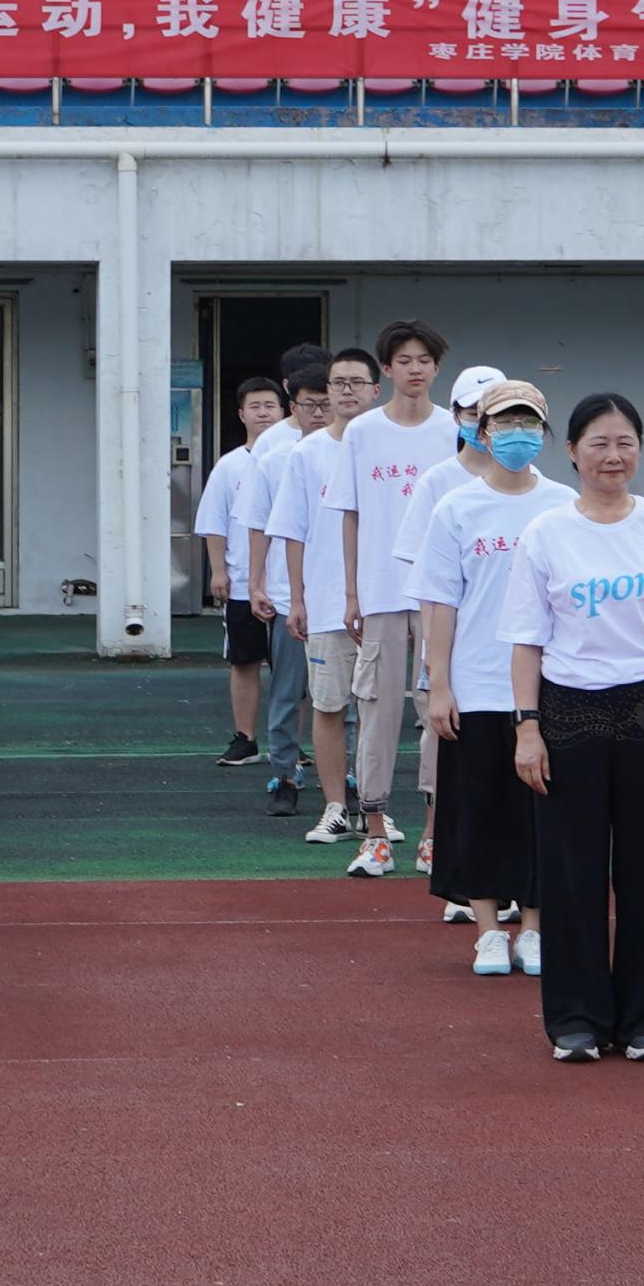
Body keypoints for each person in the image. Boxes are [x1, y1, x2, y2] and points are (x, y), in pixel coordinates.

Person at [504, 389, 644, 1063]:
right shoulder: (546, 532)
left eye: (625, 442)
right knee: (572, 872)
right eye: (598, 443)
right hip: (569, 710)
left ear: (640, 450)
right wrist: (527, 727)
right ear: (572, 452)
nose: (613, 455)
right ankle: (577, 1020)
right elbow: (527, 641)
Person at [411, 379, 563, 969]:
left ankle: (534, 927)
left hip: (549, 687)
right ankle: (488, 929)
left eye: (528, 423)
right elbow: (440, 602)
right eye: (504, 423)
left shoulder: (562, 504)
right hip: (475, 684)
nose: (517, 434)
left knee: (540, 810)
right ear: (481, 431)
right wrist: (440, 683)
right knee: (478, 807)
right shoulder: (456, 507)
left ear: (544, 433)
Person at [327, 320, 456, 876]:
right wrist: (351, 590)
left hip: (438, 596)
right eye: (404, 359)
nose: (415, 368)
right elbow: (351, 514)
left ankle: (434, 834)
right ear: (387, 369)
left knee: (438, 711)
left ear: (437, 367)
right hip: (380, 592)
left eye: (424, 359)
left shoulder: (454, 429)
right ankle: (375, 833)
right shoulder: (362, 431)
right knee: (375, 710)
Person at [290, 342, 383, 846]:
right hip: (327, 602)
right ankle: (334, 807)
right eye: (338, 382)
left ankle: (375, 808)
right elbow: (293, 530)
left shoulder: (390, 447)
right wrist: (297, 599)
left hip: (386, 603)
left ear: (376, 389)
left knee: (377, 709)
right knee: (328, 706)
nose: (347, 391)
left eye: (357, 382)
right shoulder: (307, 453)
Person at [251, 347, 336, 817]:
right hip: (289, 597)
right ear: (293, 406)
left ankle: (346, 777)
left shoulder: (355, 452)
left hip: (341, 599)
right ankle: (284, 774)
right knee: (287, 692)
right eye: (310, 404)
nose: (319, 413)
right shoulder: (275, 456)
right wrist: (256, 583)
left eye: (326, 403)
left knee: (344, 697)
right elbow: (260, 525)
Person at [197, 375, 288, 764]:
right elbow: (213, 523)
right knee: (244, 661)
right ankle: (245, 738)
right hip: (241, 583)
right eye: (255, 406)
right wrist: (219, 571)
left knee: (292, 670)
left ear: (284, 411)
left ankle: (290, 743)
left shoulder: (296, 457)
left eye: (270, 405)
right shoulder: (229, 465)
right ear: (240, 414)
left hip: (288, 584)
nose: (263, 413)